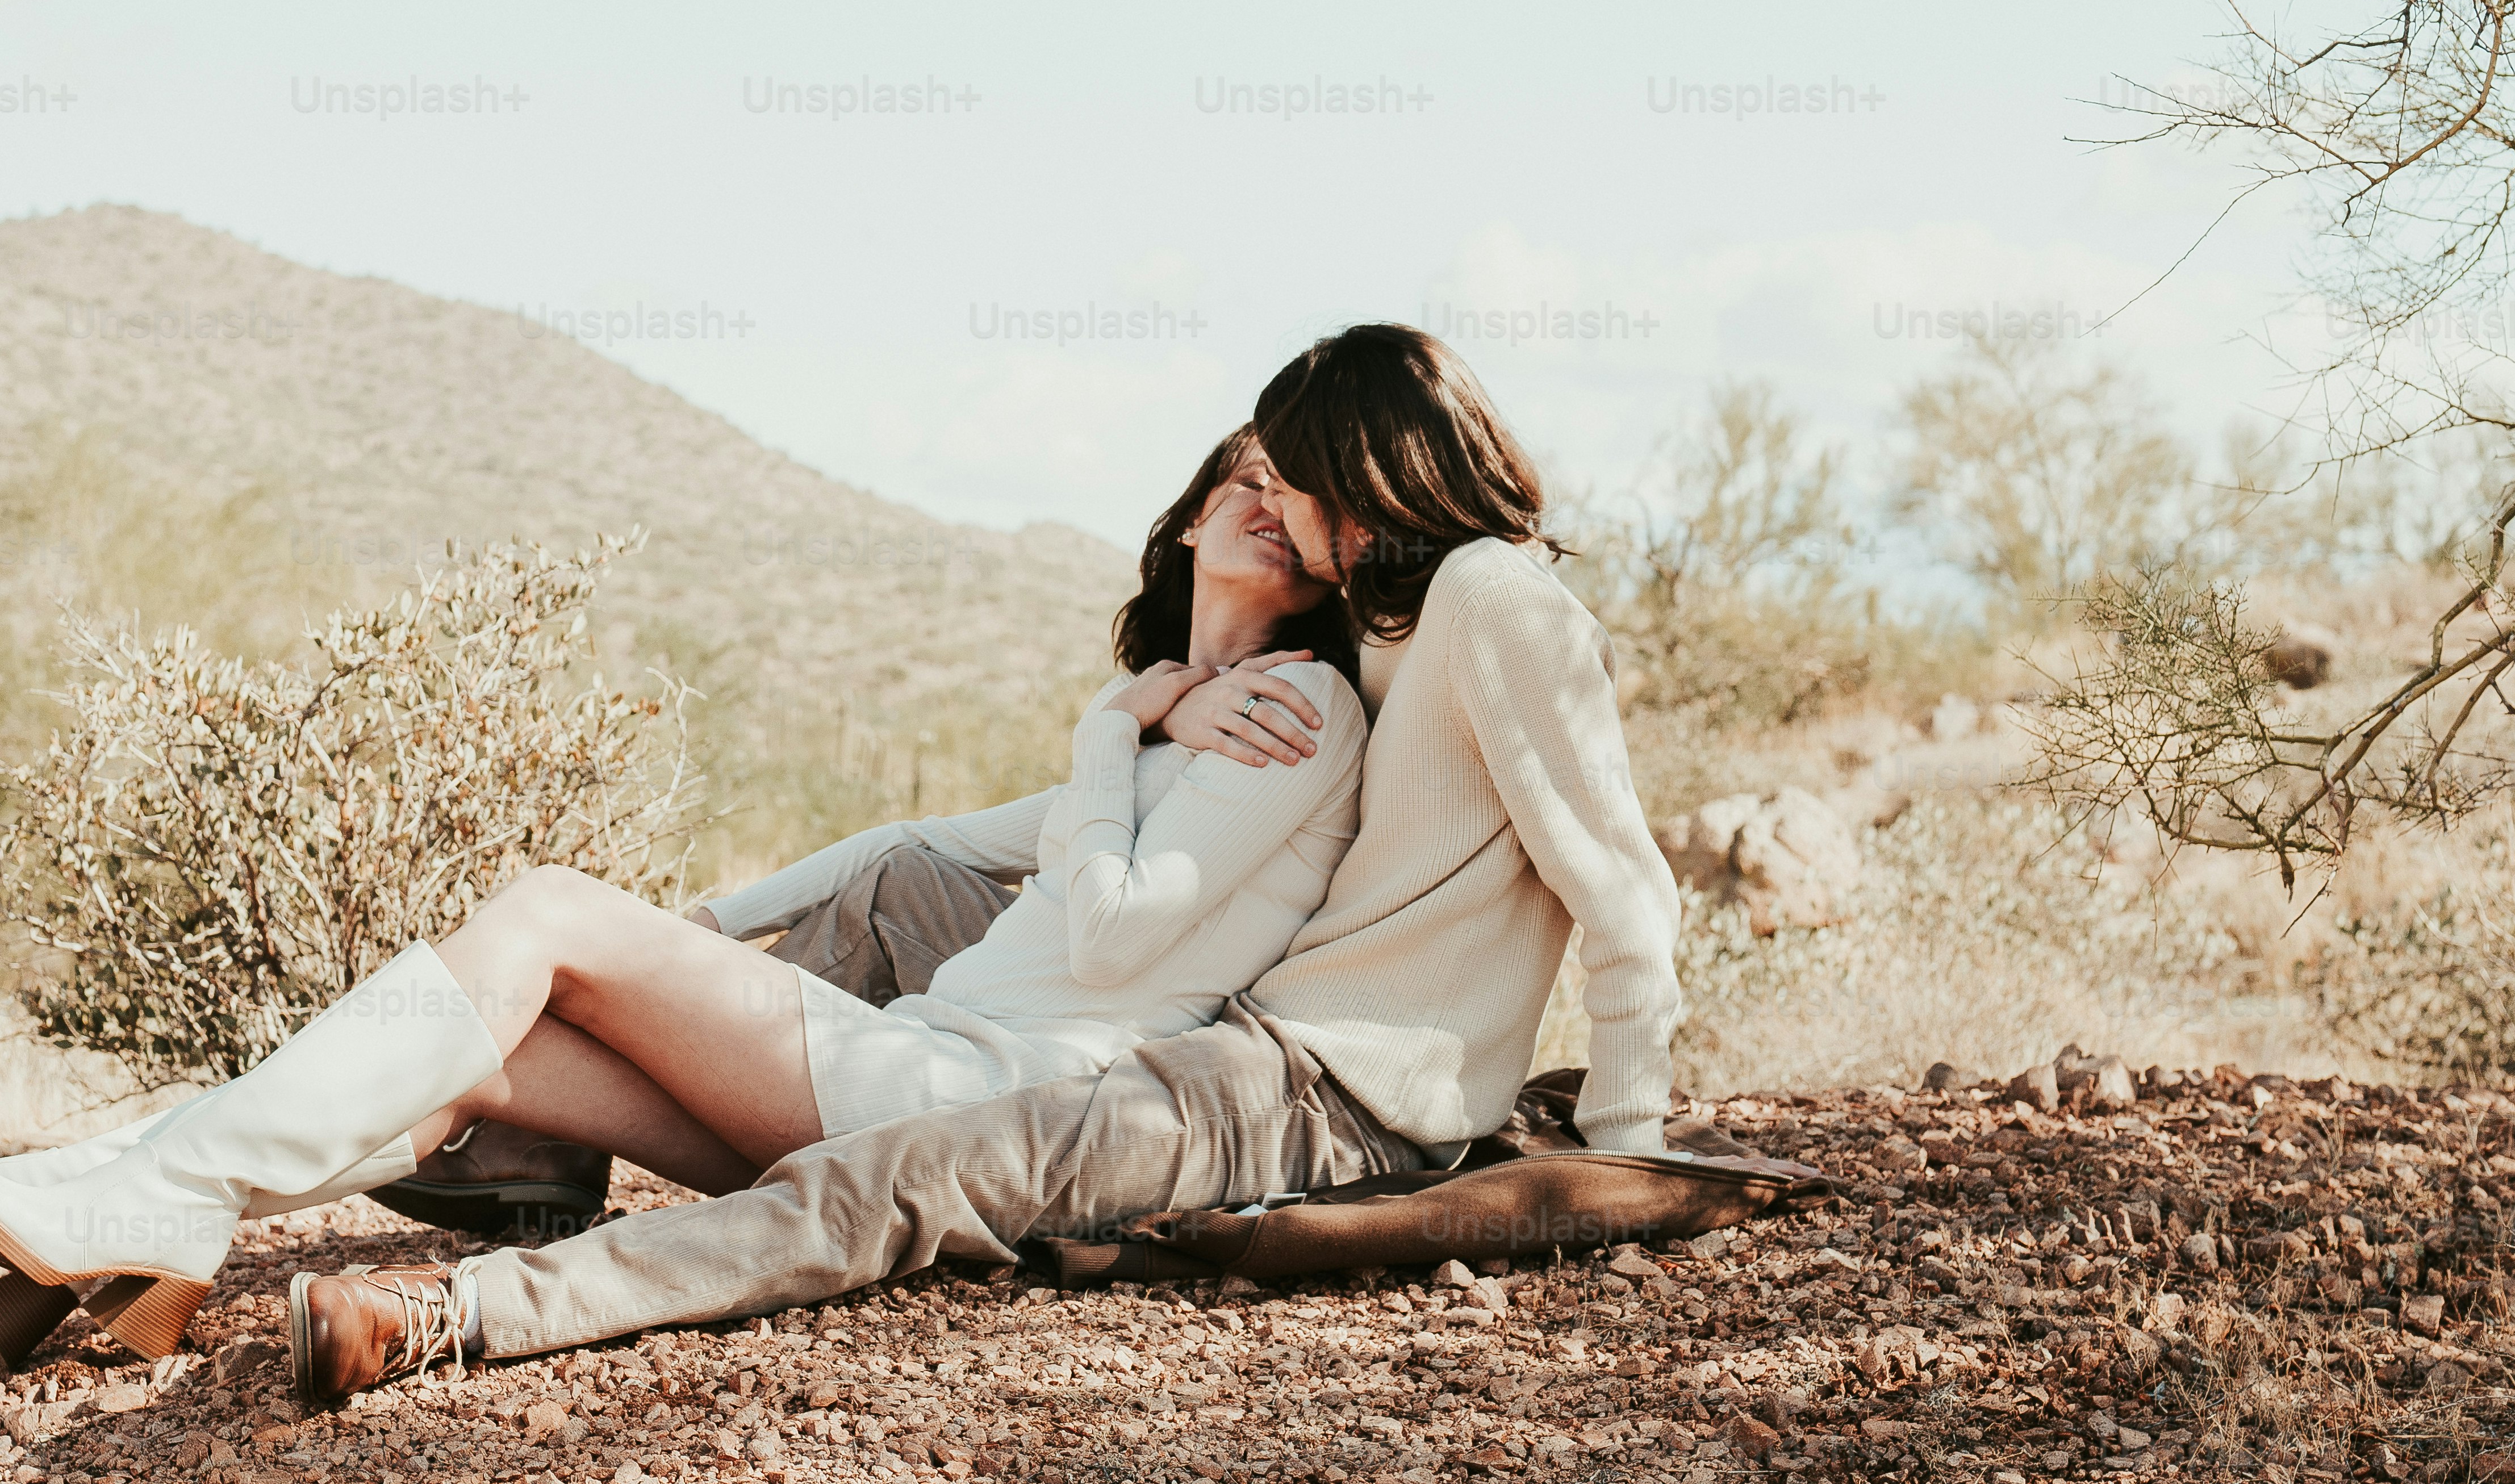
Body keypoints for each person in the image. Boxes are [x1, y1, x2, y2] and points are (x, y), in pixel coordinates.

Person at [286, 320, 1685, 1402]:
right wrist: (1155, 715)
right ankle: (283, 1178)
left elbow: (1620, 887)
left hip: (1325, 1098)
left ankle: (466, 1316)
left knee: (907, 1178)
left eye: (1297, 474)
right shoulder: (1403, 621)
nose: (1283, 505)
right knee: (891, 1030)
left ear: (1361, 476)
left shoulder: (1502, 602)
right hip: (1255, 1051)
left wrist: (1628, 1155)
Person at [0, 428, 1367, 1362]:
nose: (1261, 505)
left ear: (1317, 561)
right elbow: (930, 837)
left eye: (1288, 500)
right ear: (1181, 518)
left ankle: (141, 1203)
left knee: (545, 913)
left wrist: (1120, 728)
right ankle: (117, 1199)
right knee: (493, 1043)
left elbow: (1105, 923)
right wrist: (700, 938)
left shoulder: (1287, 715)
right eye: (1239, 478)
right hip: (913, 1080)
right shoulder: (1174, 716)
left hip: (982, 1103)